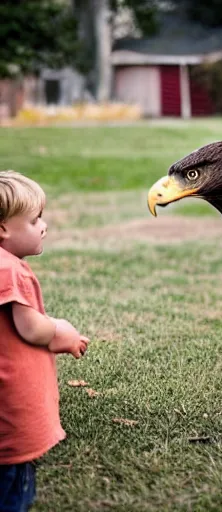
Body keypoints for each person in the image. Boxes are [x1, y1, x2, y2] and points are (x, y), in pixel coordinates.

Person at [0, 171, 89, 511]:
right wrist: (61, 331)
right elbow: (31, 329)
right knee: (13, 492)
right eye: (35, 219)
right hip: (12, 404)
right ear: (3, 228)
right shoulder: (10, 270)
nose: (44, 225)